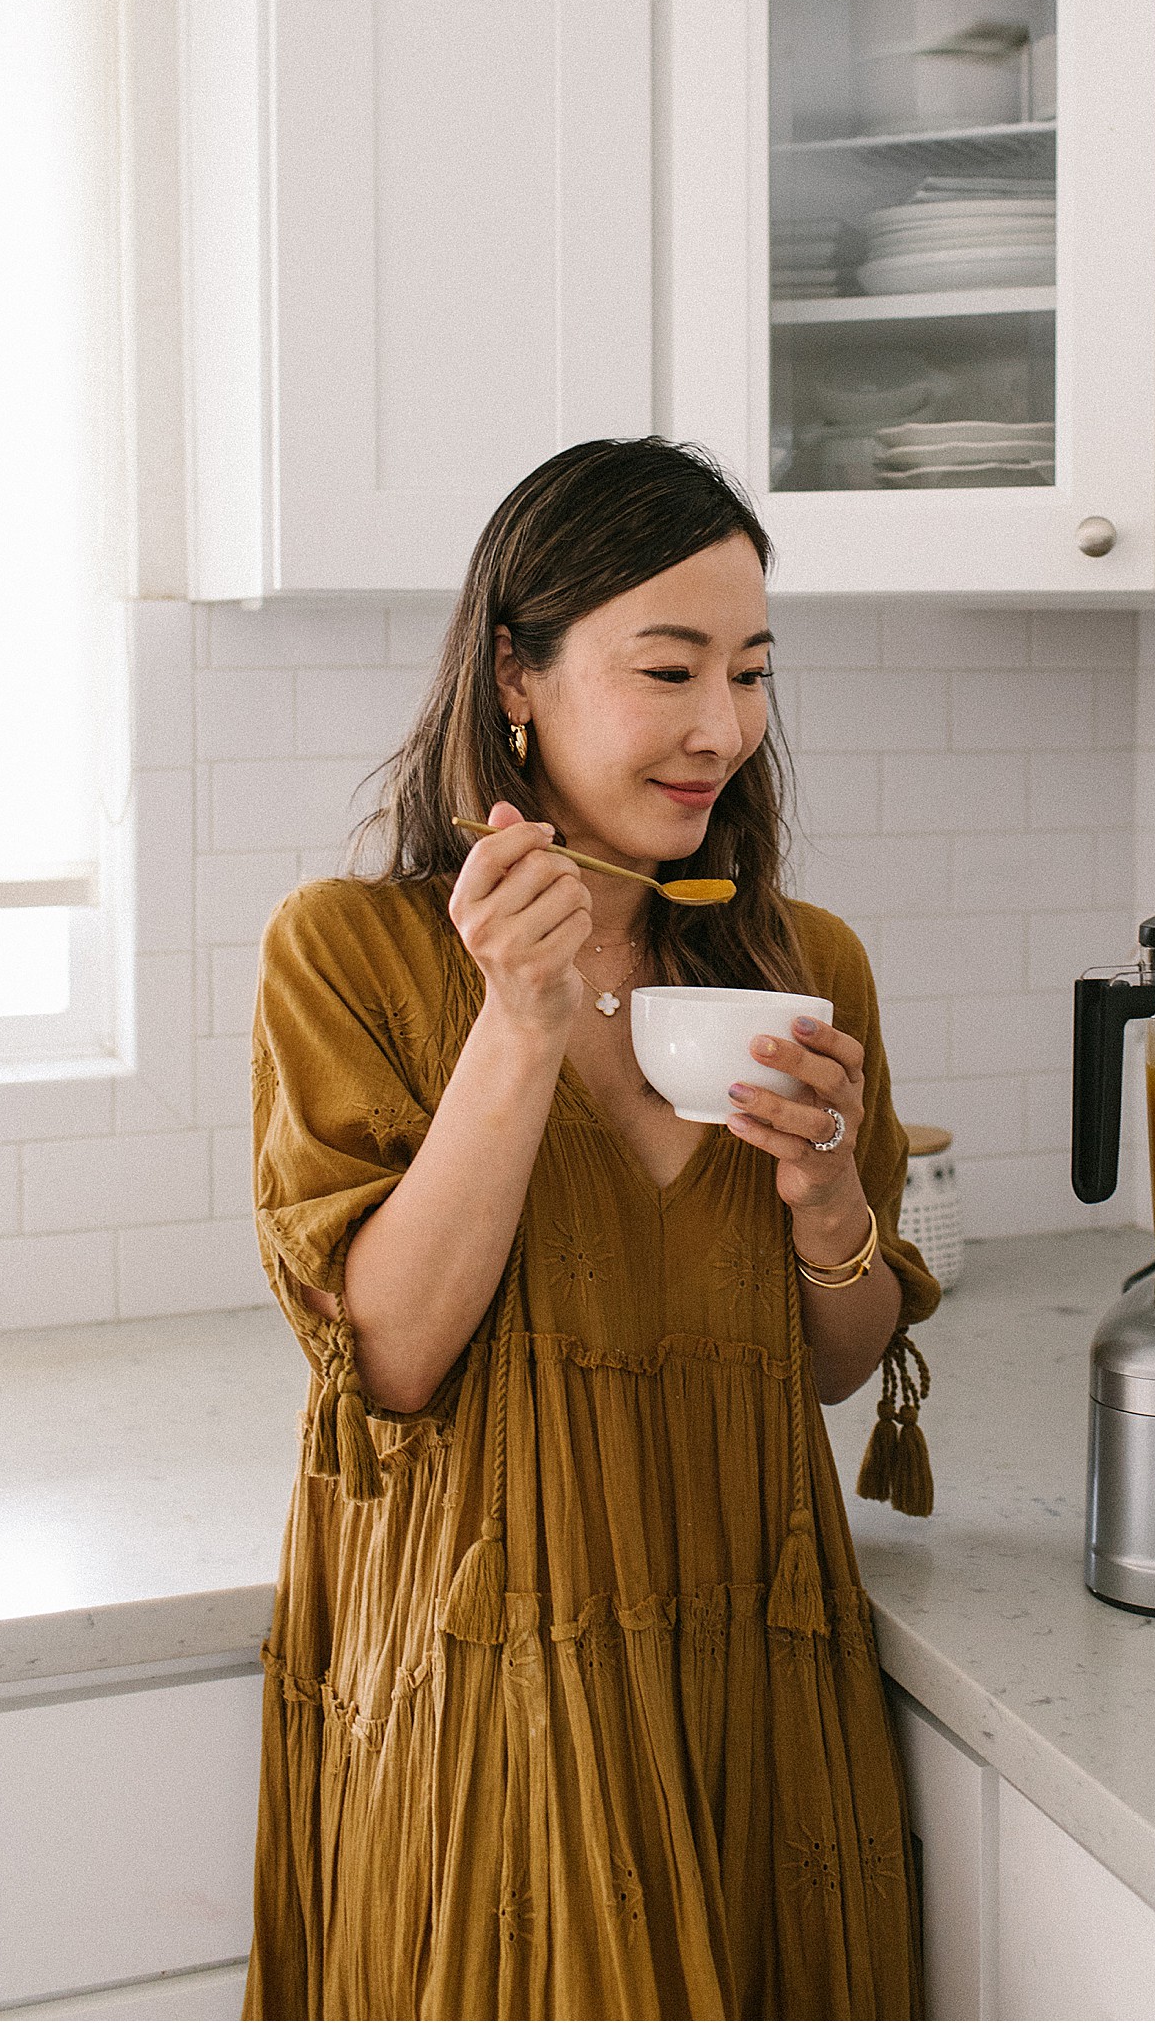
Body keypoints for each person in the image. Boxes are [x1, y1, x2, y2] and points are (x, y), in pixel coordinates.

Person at [243, 436, 939, 2021]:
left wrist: (831, 1195)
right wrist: (517, 1023)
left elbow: (839, 1364)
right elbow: (397, 1356)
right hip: (501, 1690)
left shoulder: (798, 960)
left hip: (762, 1680)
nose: (724, 728)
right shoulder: (346, 953)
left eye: (753, 673)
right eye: (670, 668)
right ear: (517, 674)